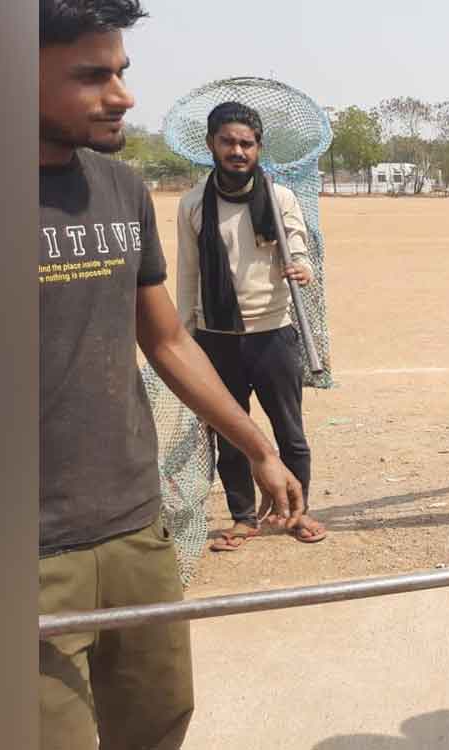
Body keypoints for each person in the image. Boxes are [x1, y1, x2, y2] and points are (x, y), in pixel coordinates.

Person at [38, 1, 307, 747]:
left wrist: (257, 447)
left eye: (121, 71)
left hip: (134, 527)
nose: (121, 95)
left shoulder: (119, 189)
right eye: (91, 76)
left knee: (158, 721)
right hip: (25, 551)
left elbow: (165, 340)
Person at [176, 101, 328, 551]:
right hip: (216, 337)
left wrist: (301, 267)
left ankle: (297, 511)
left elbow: (299, 246)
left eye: (246, 143)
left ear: (259, 148)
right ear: (211, 145)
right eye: (228, 142)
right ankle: (243, 517)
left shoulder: (280, 199)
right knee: (230, 434)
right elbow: (187, 273)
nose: (237, 151)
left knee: (290, 432)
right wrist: (186, 336)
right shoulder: (192, 204)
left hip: (274, 333)